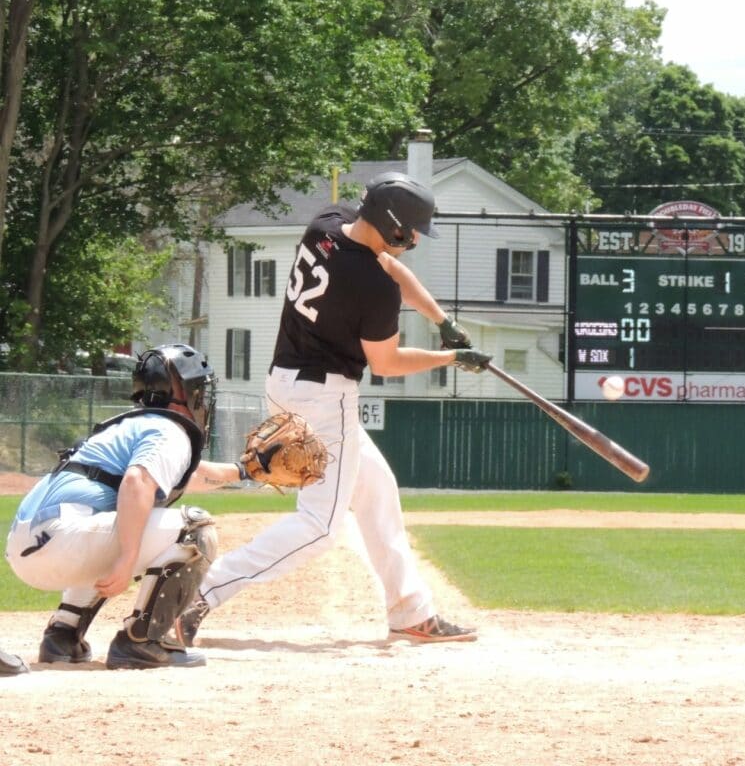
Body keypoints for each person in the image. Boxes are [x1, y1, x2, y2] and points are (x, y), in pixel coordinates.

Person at [176, 171, 491, 646]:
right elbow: (385, 361)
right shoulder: (370, 286)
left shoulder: (326, 224)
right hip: (325, 399)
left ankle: (411, 610)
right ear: (393, 227)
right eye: (411, 232)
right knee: (320, 525)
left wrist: (441, 320)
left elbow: (386, 265)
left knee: (377, 492)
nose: (414, 241)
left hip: (285, 381)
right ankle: (199, 595)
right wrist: (451, 356)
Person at [3, 343, 237, 669]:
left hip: (26, 548)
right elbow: (136, 482)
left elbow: (190, 475)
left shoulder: (130, 427)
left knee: (120, 520)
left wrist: (246, 470)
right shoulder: (170, 431)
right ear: (184, 391)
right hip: (63, 539)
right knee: (194, 529)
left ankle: (63, 636)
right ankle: (141, 641)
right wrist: (127, 560)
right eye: (197, 387)